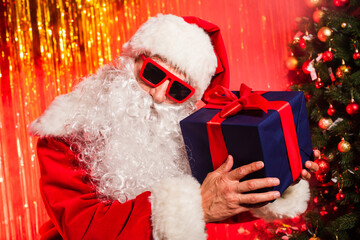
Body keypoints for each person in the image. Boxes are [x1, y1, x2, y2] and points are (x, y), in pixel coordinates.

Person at [30, 14, 318, 240]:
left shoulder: (183, 132)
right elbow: (85, 231)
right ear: (132, 60)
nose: (158, 95)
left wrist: (281, 175)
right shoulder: (68, 129)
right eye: (153, 74)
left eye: (177, 91)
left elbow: (221, 194)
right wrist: (196, 207)